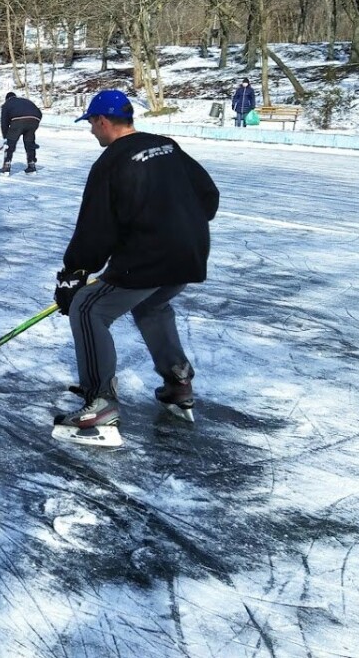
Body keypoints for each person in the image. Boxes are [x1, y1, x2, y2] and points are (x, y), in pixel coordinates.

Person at [50, 90, 220, 448]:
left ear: (102, 121)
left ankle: (101, 404)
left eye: (91, 125)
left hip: (150, 256)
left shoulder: (111, 162)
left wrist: (75, 273)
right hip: (190, 252)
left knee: (87, 308)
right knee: (151, 305)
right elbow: (208, 194)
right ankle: (178, 383)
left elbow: (96, 226)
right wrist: (181, 226)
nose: (92, 132)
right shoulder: (166, 145)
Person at [0, 91, 43, 174]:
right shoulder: (25, 101)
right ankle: (31, 165)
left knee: (10, 145)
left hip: (18, 121)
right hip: (34, 119)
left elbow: (4, 123)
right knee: (29, 143)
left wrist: (6, 137)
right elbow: (39, 112)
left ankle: (6, 166)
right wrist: (34, 122)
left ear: (7, 99)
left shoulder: (7, 104)